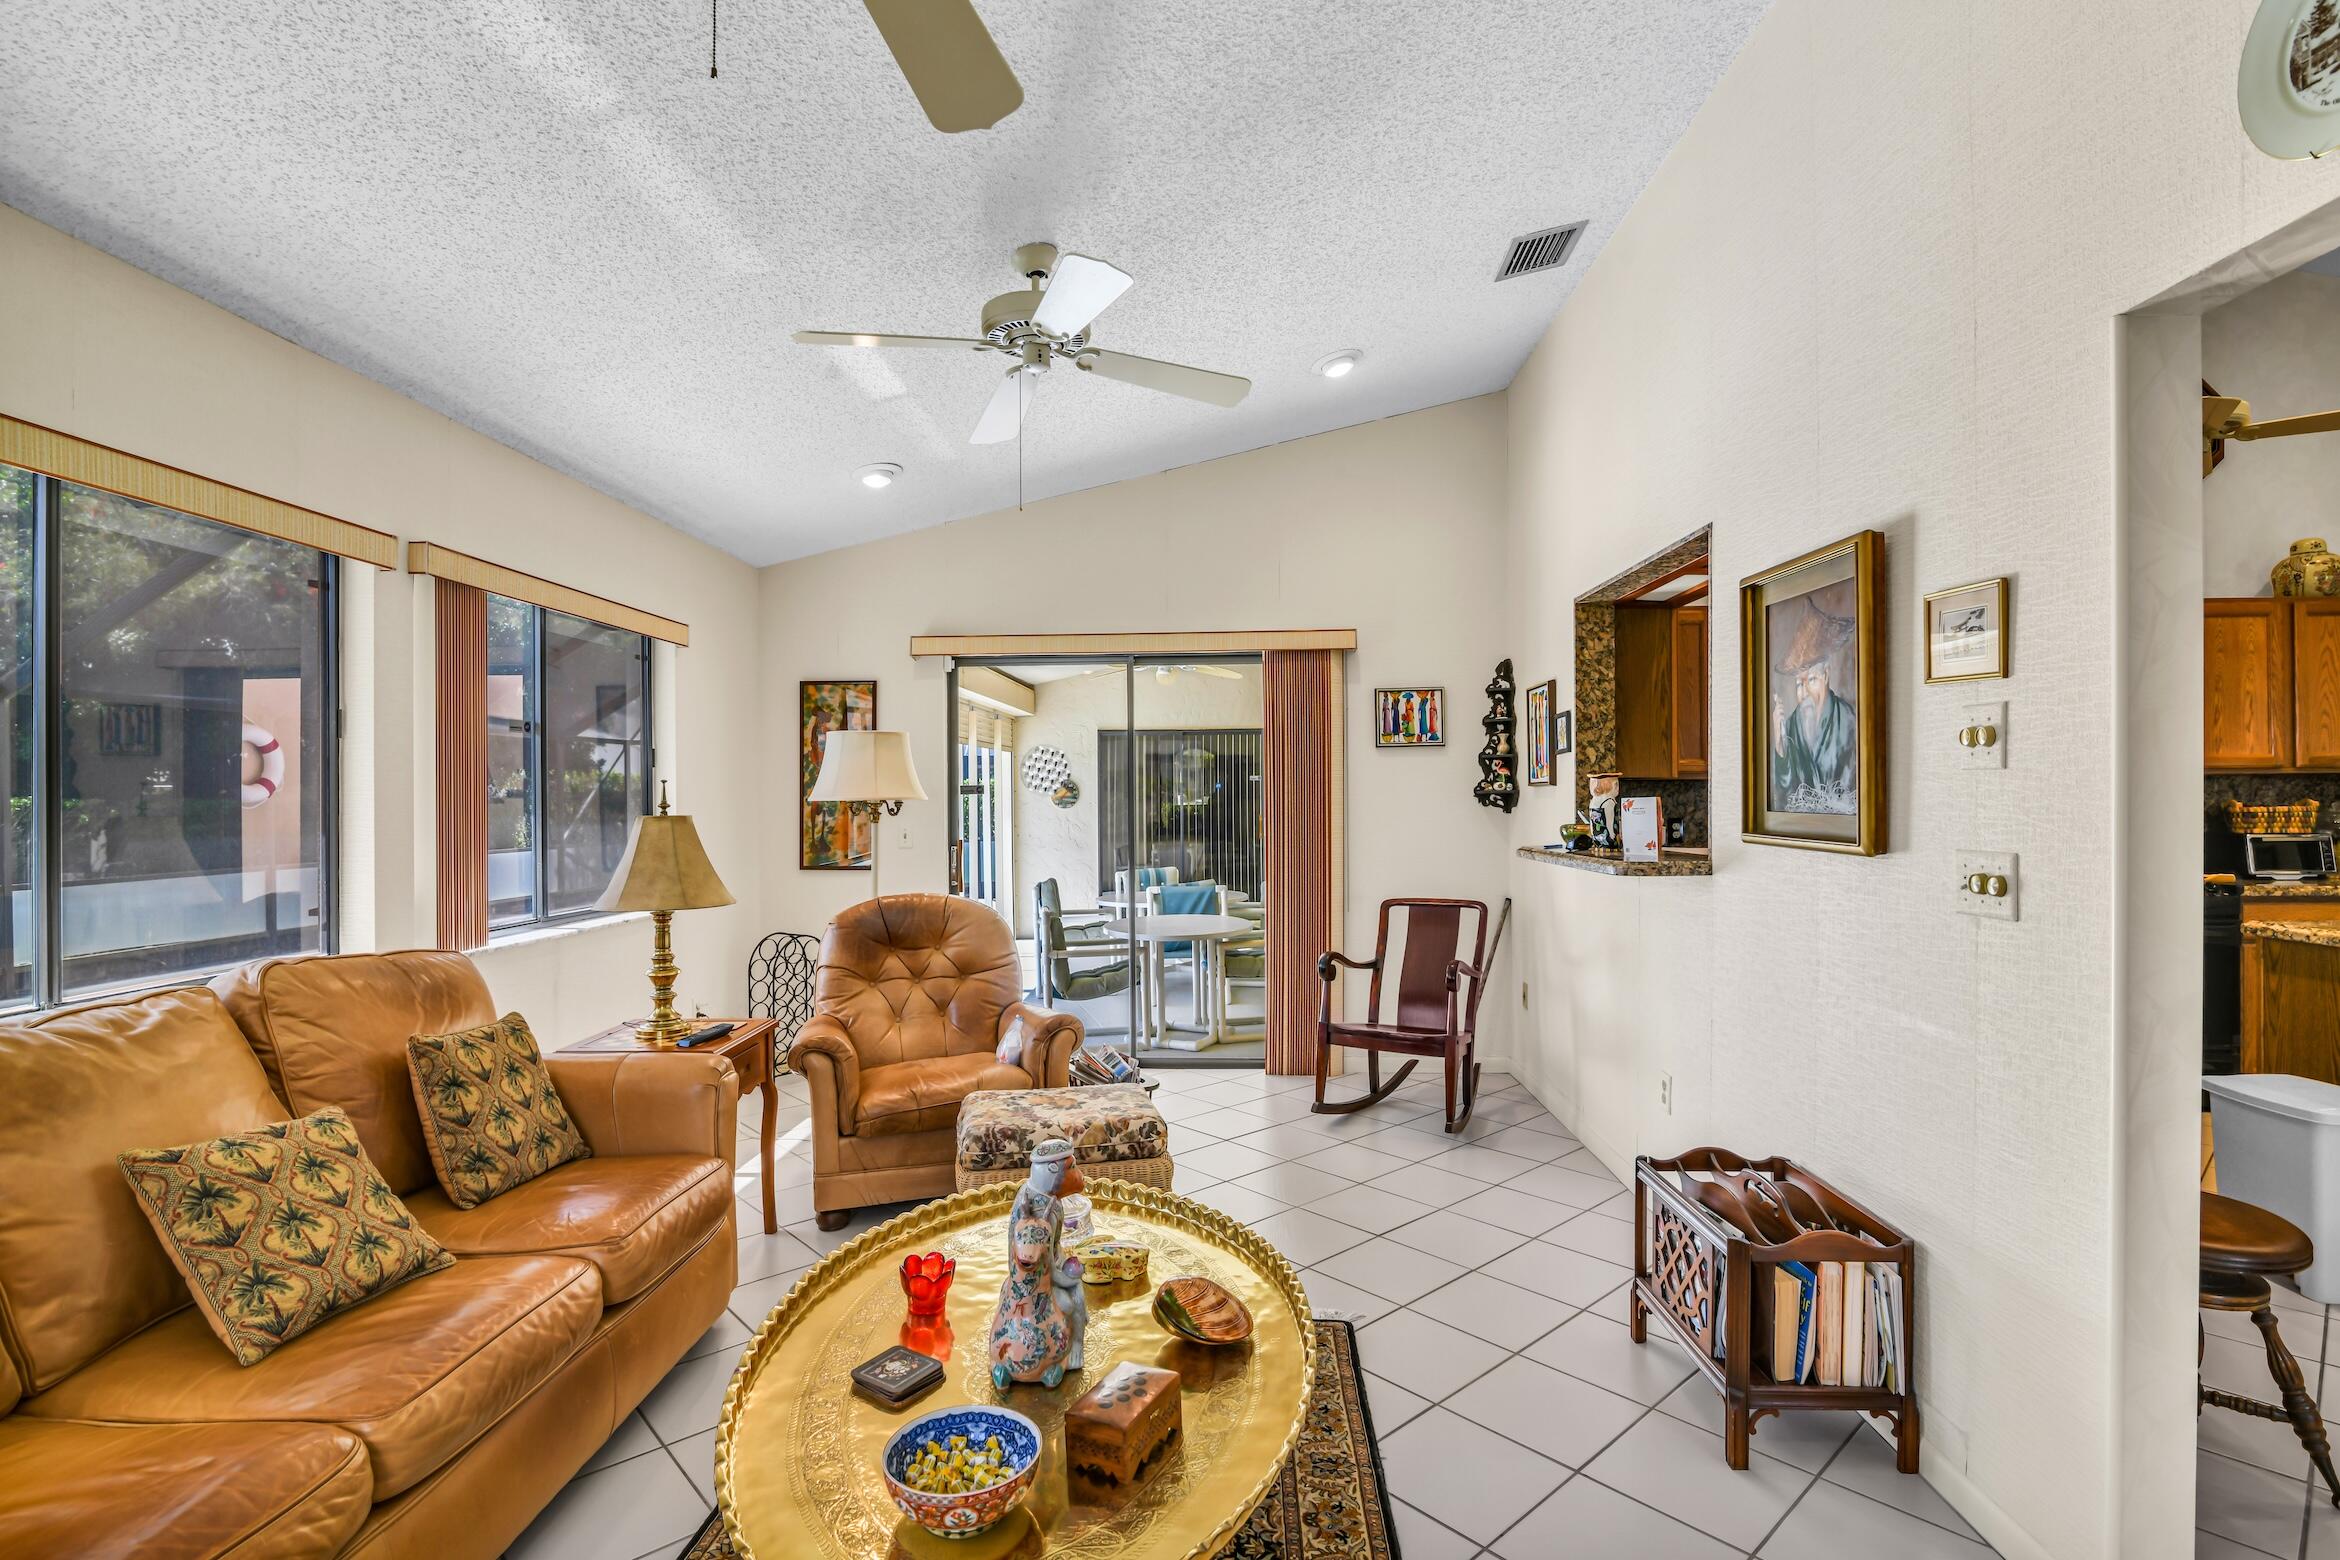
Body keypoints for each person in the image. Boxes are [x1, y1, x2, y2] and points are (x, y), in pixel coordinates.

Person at [1770, 598, 1857, 812]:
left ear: (1826, 676)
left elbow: (1853, 781)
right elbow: (1783, 788)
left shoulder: (1847, 719)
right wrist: (1780, 744)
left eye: (1811, 680)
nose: (1805, 692)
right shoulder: (1791, 724)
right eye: (1800, 683)